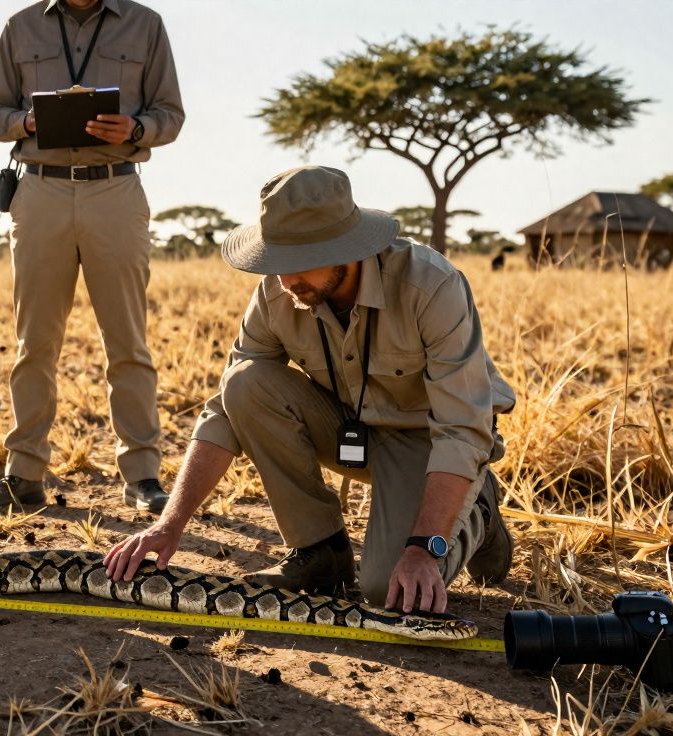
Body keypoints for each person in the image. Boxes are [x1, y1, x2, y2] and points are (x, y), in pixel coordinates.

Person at [105, 166, 517, 614]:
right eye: (275, 261)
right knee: (244, 383)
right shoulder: (278, 291)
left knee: (386, 591)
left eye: (300, 261)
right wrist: (170, 524)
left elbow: (462, 430)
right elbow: (226, 410)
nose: (285, 281)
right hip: (347, 430)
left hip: (427, 445)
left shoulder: (431, 286)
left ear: (348, 250)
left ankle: (478, 509)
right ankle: (319, 554)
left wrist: (424, 549)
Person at [0, 0, 185, 514]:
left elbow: (170, 116)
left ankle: (142, 477)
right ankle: (24, 474)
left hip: (115, 190)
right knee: (35, 342)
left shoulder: (146, 24)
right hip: (40, 191)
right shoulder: (19, 26)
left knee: (128, 341)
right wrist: (26, 121)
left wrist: (135, 129)